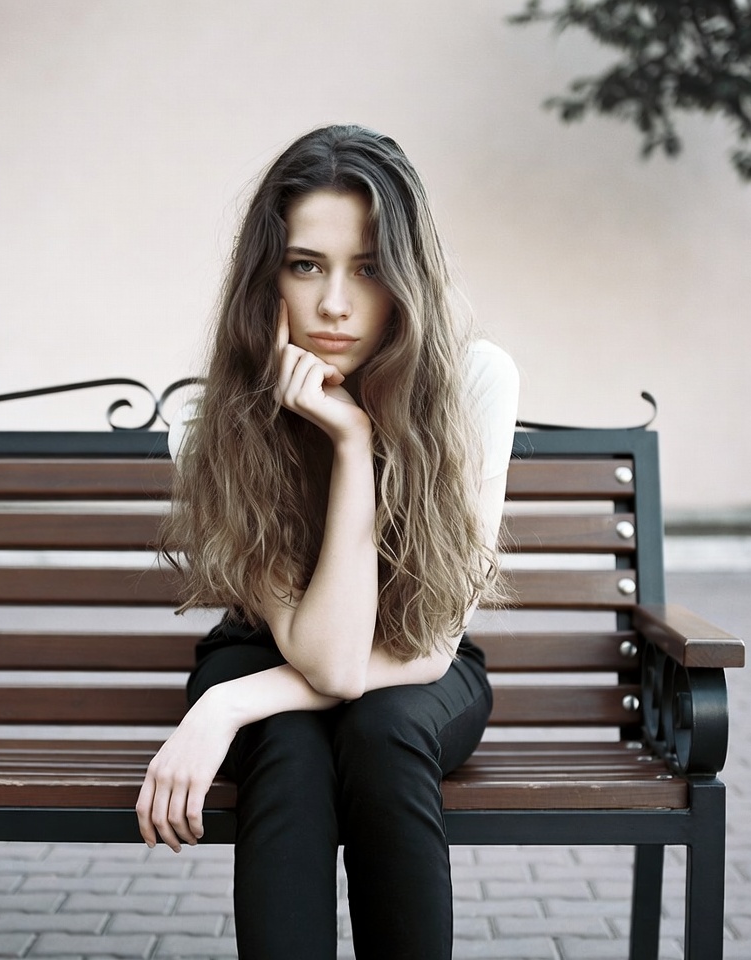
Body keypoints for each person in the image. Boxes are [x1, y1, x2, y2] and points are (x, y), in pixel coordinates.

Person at [136, 124, 519, 960]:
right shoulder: (212, 418)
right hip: (269, 647)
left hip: (420, 658)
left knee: (381, 734)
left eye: (370, 268)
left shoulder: (474, 382)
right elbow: (324, 659)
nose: (336, 304)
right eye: (306, 265)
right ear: (267, 277)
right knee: (292, 745)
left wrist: (226, 706)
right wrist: (345, 445)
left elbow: (415, 650)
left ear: (407, 279)